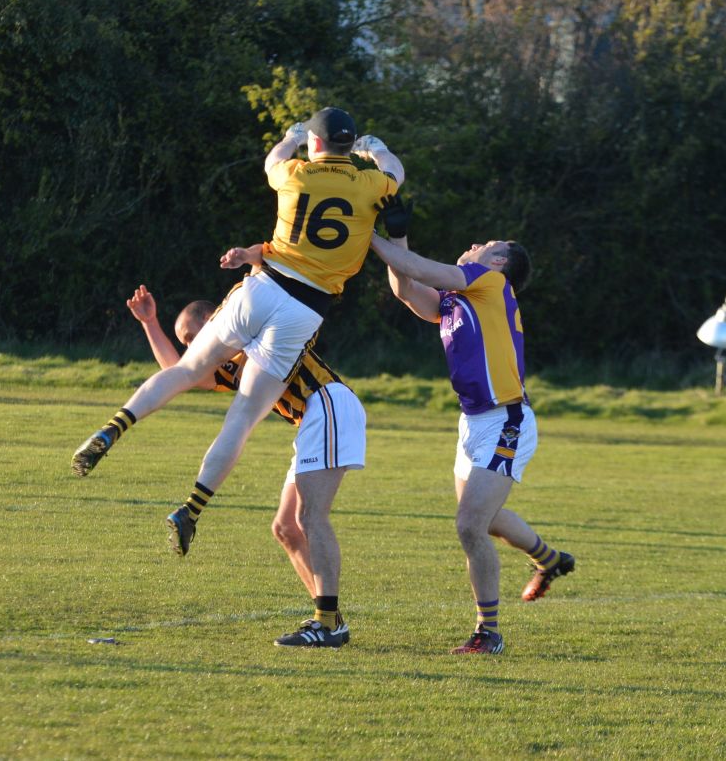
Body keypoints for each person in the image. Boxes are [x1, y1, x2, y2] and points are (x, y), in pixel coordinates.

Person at [70, 106, 406, 563]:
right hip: (306, 309)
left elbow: (271, 161)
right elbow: (395, 173)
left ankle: (112, 429)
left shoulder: (296, 173)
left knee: (190, 368)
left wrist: (289, 137)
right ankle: (192, 507)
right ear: (349, 145)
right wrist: (376, 149)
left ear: (316, 145)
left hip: (265, 284)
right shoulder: (370, 184)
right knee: (244, 415)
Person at [121, 267, 364, 648]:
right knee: (285, 528)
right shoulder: (226, 364)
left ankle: (327, 624)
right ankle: (330, 618)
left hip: (328, 403)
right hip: (311, 420)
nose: (190, 347)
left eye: (190, 337)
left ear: (213, 318)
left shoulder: (254, 331)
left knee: (310, 517)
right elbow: (181, 372)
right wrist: (150, 323)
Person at [369, 231, 575, 655]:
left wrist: (369, 232)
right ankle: (550, 559)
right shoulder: (459, 298)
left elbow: (417, 269)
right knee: (487, 519)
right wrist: (398, 237)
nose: (481, 243)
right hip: (474, 422)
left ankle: (489, 633)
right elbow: (405, 286)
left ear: (499, 263)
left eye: (492, 244)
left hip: (506, 420)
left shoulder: (490, 282)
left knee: (469, 525)